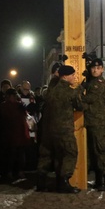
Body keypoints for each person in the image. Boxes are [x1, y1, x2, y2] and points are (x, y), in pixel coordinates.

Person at [35, 65, 84, 193]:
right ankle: (64, 182)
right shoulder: (69, 91)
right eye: (72, 75)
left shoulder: (51, 90)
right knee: (70, 152)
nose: (74, 77)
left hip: (48, 129)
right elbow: (79, 106)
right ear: (65, 76)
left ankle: (41, 182)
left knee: (47, 154)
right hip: (64, 129)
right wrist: (80, 89)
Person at [82, 58, 105, 191]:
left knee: (102, 150)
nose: (95, 70)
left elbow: (89, 98)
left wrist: (78, 91)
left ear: (102, 69)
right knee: (94, 151)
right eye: (93, 68)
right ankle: (99, 180)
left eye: (98, 67)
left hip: (98, 122)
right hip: (92, 120)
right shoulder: (92, 81)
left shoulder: (100, 83)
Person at [0, 88, 31, 180]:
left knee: (18, 153)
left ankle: (16, 171)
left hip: (17, 132)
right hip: (12, 132)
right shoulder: (5, 106)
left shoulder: (17, 105)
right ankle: (12, 172)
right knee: (12, 154)